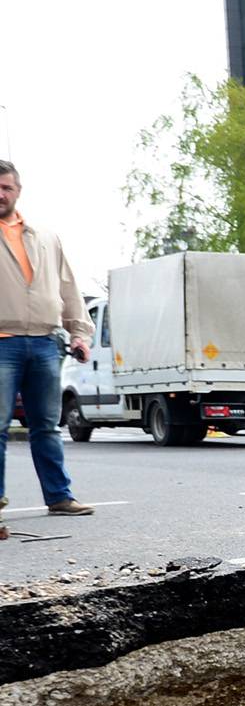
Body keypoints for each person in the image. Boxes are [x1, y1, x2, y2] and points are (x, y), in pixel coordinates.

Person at [0, 160, 95, 521]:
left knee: (47, 426)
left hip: (44, 343)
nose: (0, 193)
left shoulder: (45, 237)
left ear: (18, 190)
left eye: (7, 187)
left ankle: (59, 496)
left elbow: (68, 289)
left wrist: (80, 334)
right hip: (2, 343)